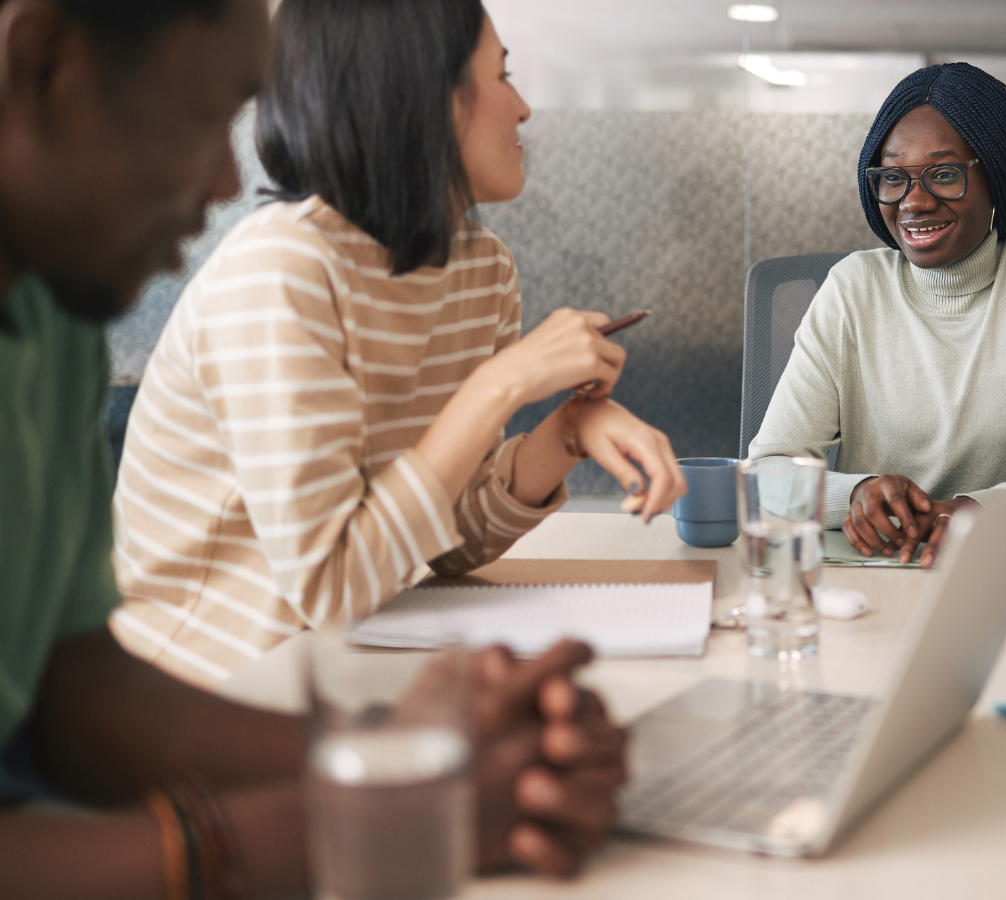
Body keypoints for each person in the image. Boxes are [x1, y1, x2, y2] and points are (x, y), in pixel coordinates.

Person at [0, 0, 626, 893]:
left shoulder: (55, 317)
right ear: (44, 65)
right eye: (205, 115)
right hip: (240, 668)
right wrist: (394, 803)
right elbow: (325, 583)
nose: (230, 181)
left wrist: (410, 755)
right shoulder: (278, 269)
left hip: (316, 670)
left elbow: (80, 695)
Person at [111, 0, 686, 686]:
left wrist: (566, 433)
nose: (524, 109)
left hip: (341, 671)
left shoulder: (482, 270)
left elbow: (452, 539)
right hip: (197, 688)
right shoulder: (283, 270)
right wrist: (502, 383)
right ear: (428, 98)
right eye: (502, 76)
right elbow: (330, 588)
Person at [746, 62, 1006, 567]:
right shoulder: (852, 289)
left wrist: (976, 512)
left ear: (996, 176)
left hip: (1005, 569)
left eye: (944, 175)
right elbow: (765, 472)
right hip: (872, 572)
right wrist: (853, 496)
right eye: (894, 178)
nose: (915, 202)